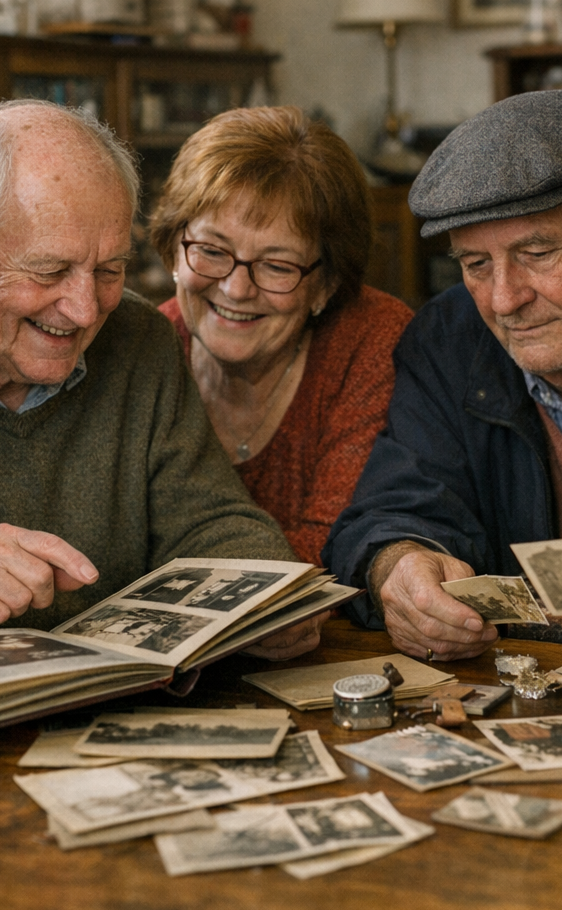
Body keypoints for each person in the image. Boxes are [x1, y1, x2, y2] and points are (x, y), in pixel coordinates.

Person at [0, 100, 316, 660]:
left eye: (110, 270)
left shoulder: (138, 337)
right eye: (50, 271)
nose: (86, 310)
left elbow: (210, 519)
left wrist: (275, 597)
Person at [324, 89, 562, 661]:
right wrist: (399, 566)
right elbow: (396, 506)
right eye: (474, 264)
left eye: (538, 253)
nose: (504, 299)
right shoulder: (448, 339)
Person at [151, 106, 413, 566]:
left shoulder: (370, 343)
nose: (236, 288)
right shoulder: (145, 350)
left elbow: (337, 549)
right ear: (174, 246)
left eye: (276, 266)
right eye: (211, 250)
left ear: (326, 284)